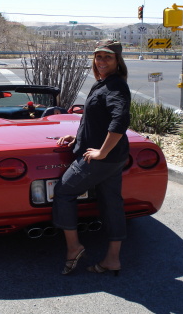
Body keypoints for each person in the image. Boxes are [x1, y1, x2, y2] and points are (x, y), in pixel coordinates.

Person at [52, 39, 131, 276]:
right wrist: (78, 139)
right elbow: (96, 120)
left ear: (117, 61)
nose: (102, 61)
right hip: (113, 157)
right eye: (98, 56)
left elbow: (120, 120)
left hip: (102, 158)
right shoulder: (103, 83)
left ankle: (74, 247)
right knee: (111, 203)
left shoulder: (115, 86)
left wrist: (101, 151)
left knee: (64, 192)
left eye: (108, 57)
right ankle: (112, 260)